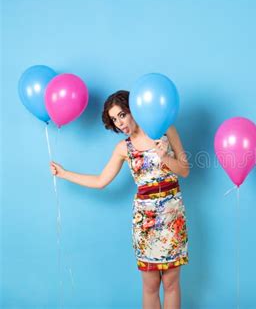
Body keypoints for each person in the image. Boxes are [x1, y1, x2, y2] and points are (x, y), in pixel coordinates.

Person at [50, 90, 190, 309]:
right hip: (145, 220)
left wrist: (164, 156)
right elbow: (100, 181)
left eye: (122, 115)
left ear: (134, 109)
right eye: (114, 119)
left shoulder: (166, 130)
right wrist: (64, 173)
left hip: (173, 214)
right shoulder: (123, 148)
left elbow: (184, 170)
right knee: (151, 284)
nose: (120, 123)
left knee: (171, 282)